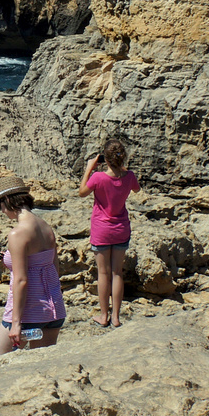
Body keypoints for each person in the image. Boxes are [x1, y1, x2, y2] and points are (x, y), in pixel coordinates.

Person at [0, 175, 64, 355]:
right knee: (40, 368)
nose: (2, 211)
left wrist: (16, 323)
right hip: (54, 312)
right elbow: (54, 269)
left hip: (29, 313)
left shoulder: (17, 234)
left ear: (7, 200)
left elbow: (22, 280)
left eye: (0, 205)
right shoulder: (46, 227)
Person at [80, 140, 139, 328]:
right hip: (121, 228)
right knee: (117, 273)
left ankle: (103, 316)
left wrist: (89, 168)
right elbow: (136, 189)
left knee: (103, 273)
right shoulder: (129, 176)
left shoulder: (98, 177)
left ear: (105, 159)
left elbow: (82, 192)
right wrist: (123, 169)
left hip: (102, 230)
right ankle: (116, 317)